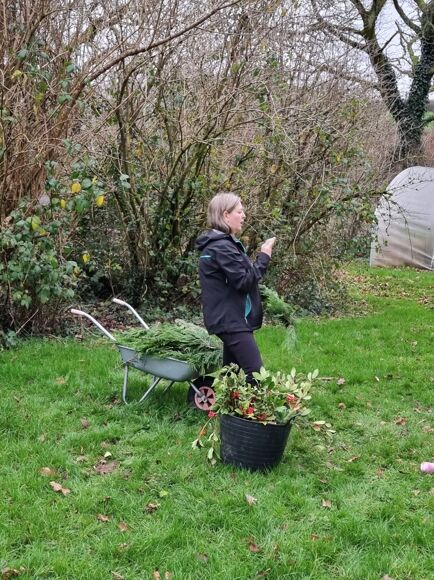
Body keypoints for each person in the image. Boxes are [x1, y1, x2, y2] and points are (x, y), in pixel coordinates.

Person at [196, 192, 276, 381]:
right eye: (239, 211)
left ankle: (225, 408)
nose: (244, 216)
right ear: (225, 215)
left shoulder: (224, 245)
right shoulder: (221, 247)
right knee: (256, 374)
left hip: (231, 317)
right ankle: (256, 410)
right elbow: (244, 281)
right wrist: (264, 256)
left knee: (230, 372)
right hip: (231, 320)